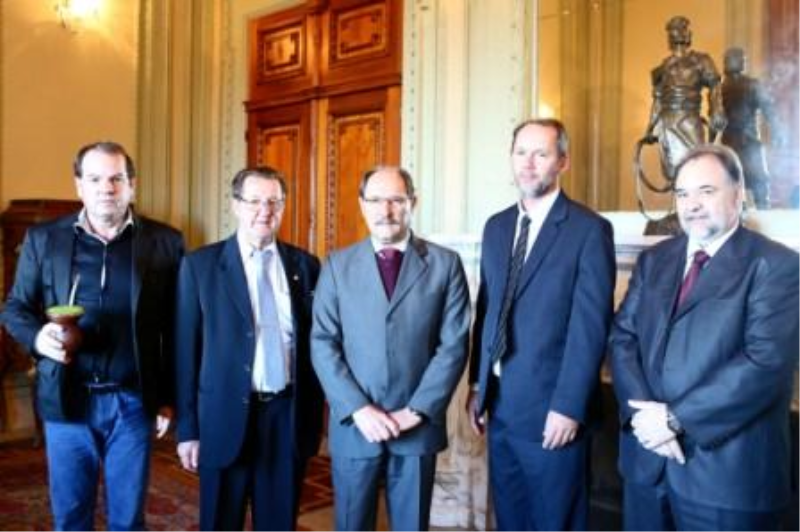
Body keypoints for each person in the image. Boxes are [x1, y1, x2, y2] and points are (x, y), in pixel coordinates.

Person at [609, 144, 800, 532]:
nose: (691, 204)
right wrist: (647, 420)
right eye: (682, 194)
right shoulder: (655, 260)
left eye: (706, 191)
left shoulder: (776, 265)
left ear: (738, 194)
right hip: (647, 466)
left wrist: (675, 419)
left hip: (727, 483)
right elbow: (622, 337)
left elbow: (765, 364)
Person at [0, 141, 184, 530]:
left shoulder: (166, 242)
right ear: (79, 186)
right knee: (70, 518)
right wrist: (38, 339)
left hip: (133, 403)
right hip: (67, 400)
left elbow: (176, 327)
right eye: (96, 178)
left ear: (132, 185)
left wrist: (167, 398)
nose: (107, 188)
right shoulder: (44, 239)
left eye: (117, 178)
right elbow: (15, 308)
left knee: (128, 520)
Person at [467, 118, 616, 532]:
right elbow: (488, 310)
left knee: (556, 522)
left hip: (553, 412)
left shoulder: (589, 230)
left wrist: (568, 406)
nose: (528, 164)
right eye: (520, 153)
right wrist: (477, 385)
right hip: (499, 406)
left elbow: (590, 329)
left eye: (541, 154)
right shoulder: (496, 226)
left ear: (563, 162)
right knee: (512, 520)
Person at [311, 165, 471, 532]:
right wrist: (359, 409)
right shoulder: (337, 265)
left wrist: (415, 412)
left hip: (415, 427)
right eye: (376, 200)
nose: (385, 211)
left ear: (412, 203)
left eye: (396, 200)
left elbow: (454, 345)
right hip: (356, 426)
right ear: (362, 206)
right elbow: (322, 342)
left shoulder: (445, 265)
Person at [174, 167, 324, 531]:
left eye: (274, 202)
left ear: (283, 207)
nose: (264, 210)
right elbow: (185, 352)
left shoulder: (306, 266)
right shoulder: (200, 266)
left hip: (286, 416)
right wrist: (188, 429)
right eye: (254, 201)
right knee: (220, 522)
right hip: (223, 417)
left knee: (278, 522)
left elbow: (316, 346)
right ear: (236, 205)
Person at [644, 16, 726, 181]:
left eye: (682, 30)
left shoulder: (701, 61)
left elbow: (714, 85)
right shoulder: (663, 68)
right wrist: (651, 126)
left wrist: (717, 110)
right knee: (672, 170)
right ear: (669, 38)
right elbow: (658, 99)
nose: (678, 35)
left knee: (696, 163)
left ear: (689, 34)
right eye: (674, 32)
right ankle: (678, 202)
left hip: (689, 120)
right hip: (668, 122)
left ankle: (695, 201)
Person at [721, 46, 784, 209]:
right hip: (731, 142)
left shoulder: (752, 85)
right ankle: (741, 213)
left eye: (735, 58)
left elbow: (769, 109)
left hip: (749, 141)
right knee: (733, 182)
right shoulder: (720, 88)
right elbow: (716, 118)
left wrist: (777, 131)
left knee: (759, 181)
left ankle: (763, 211)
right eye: (728, 59)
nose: (730, 62)